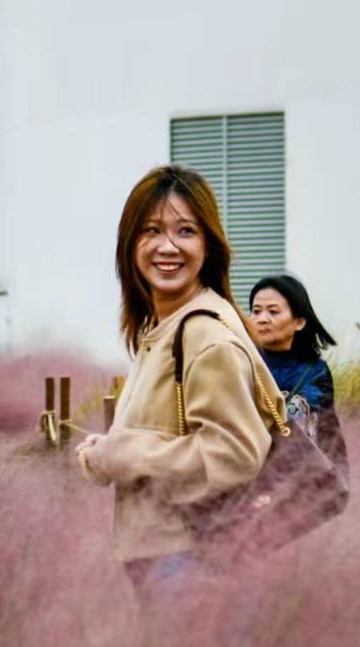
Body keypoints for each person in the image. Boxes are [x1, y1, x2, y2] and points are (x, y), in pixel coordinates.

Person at [76, 165, 282, 597]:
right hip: (170, 555)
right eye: (151, 230)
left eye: (185, 231)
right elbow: (171, 431)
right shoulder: (167, 325)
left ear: (208, 245)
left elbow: (235, 452)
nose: (167, 246)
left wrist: (125, 453)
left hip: (190, 560)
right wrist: (106, 452)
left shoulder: (204, 334)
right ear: (131, 244)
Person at [249, 274, 348, 474]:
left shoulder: (314, 371)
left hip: (299, 477)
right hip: (248, 476)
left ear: (299, 322)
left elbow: (325, 431)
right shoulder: (241, 363)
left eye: (273, 311)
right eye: (256, 311)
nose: (262, 319)